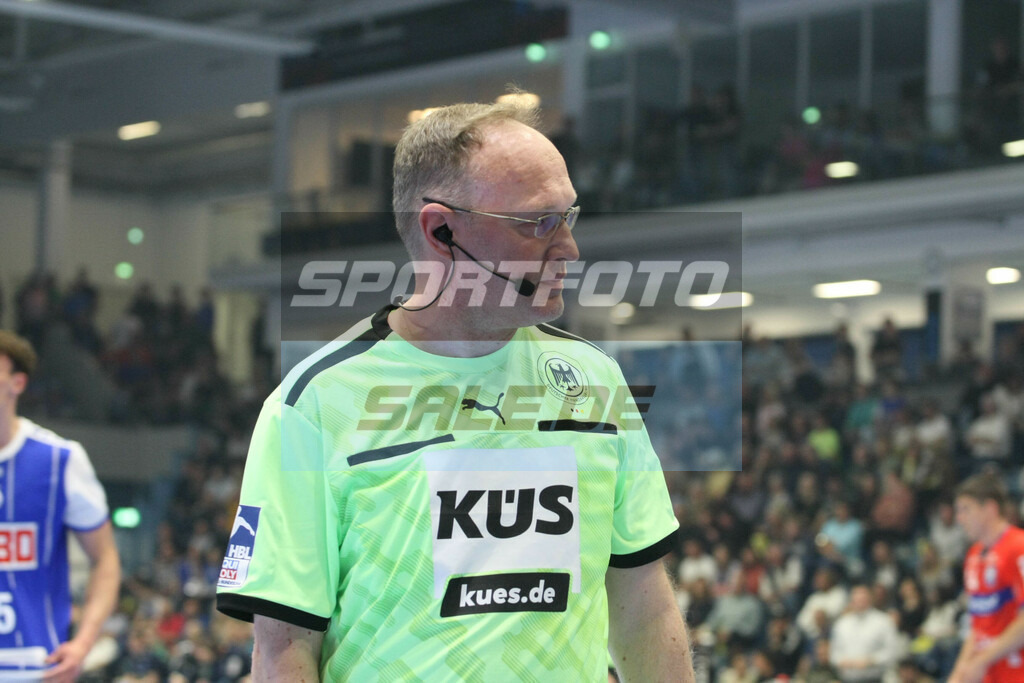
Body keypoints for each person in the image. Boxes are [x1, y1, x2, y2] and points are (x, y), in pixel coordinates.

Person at [216, 101, 693, 681]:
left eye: (568, 217)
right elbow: (285, 649)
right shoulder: (314, 406)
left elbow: (643, 605)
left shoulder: (595, 382)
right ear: (442, 230)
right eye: (537, 222)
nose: (568, 248)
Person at [0, 330, 121, 680]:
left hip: (34, 667)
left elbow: (106, 559)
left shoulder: (59, 460)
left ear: (16, 383)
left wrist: (83, 644)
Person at [950, 472, 1024, 682]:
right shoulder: (973, 555)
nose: (959, 518)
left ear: (990, 509)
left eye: (966, 509)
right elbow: (978, 626)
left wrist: (982, 660)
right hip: (988, 675)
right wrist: (958, 673)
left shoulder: (1018, 547)